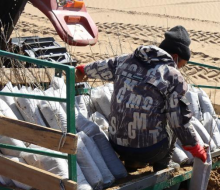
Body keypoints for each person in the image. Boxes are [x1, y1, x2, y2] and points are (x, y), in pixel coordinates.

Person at [75, 25, 207, 170]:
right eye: (181, 65)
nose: (179, 69)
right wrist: (194, 146)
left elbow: (102, 67)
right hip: (151, 150)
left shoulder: (126, 60)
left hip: (117, 145)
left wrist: (83, 69)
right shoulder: (171, 75)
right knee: (172, 120)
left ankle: (132, 163)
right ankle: (162, 165)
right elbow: (179, 120)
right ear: (175, 57)